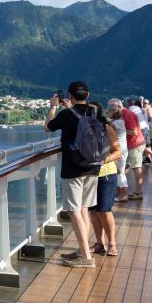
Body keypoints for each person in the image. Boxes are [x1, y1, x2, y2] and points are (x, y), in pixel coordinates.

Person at [45, 81, 103, 268]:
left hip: (73, 168)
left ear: (69, 96)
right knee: (84, 208)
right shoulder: (94, 112)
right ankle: (82, 249)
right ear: (87, 94)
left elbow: (48, 127)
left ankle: (86, 257)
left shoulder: (66, 115)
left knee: (74, 210)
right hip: (93, 166)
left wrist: (53, 107)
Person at [86, 102, 122, 256]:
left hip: (106, 173)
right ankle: (99, 242)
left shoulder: (107, 128)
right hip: (89, 174)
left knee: (104, 210)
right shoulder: (83, 130)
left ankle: (112, 242)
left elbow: (117, 151)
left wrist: (104, 160)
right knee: (93, 211)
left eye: (93, 111)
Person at [121, 99, 145, 200]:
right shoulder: (124, 114)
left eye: (111, 110)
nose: (110, 112)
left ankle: (138, 193)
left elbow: (133, 132)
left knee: (136, 167)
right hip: (130, 145)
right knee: (124, 167)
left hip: (135, 144)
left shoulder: (127, 114)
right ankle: (122, 190)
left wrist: (119, 129)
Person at [107, 99, 129, 202]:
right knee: (120, 171)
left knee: (120, 172)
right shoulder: (120, 121)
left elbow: (106, 129)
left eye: (109, 111)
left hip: (119, 150)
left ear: (113, 112)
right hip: (122, 149)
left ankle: (123, 195)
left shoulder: (115, 124)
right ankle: (120, 193)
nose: (107, 112)